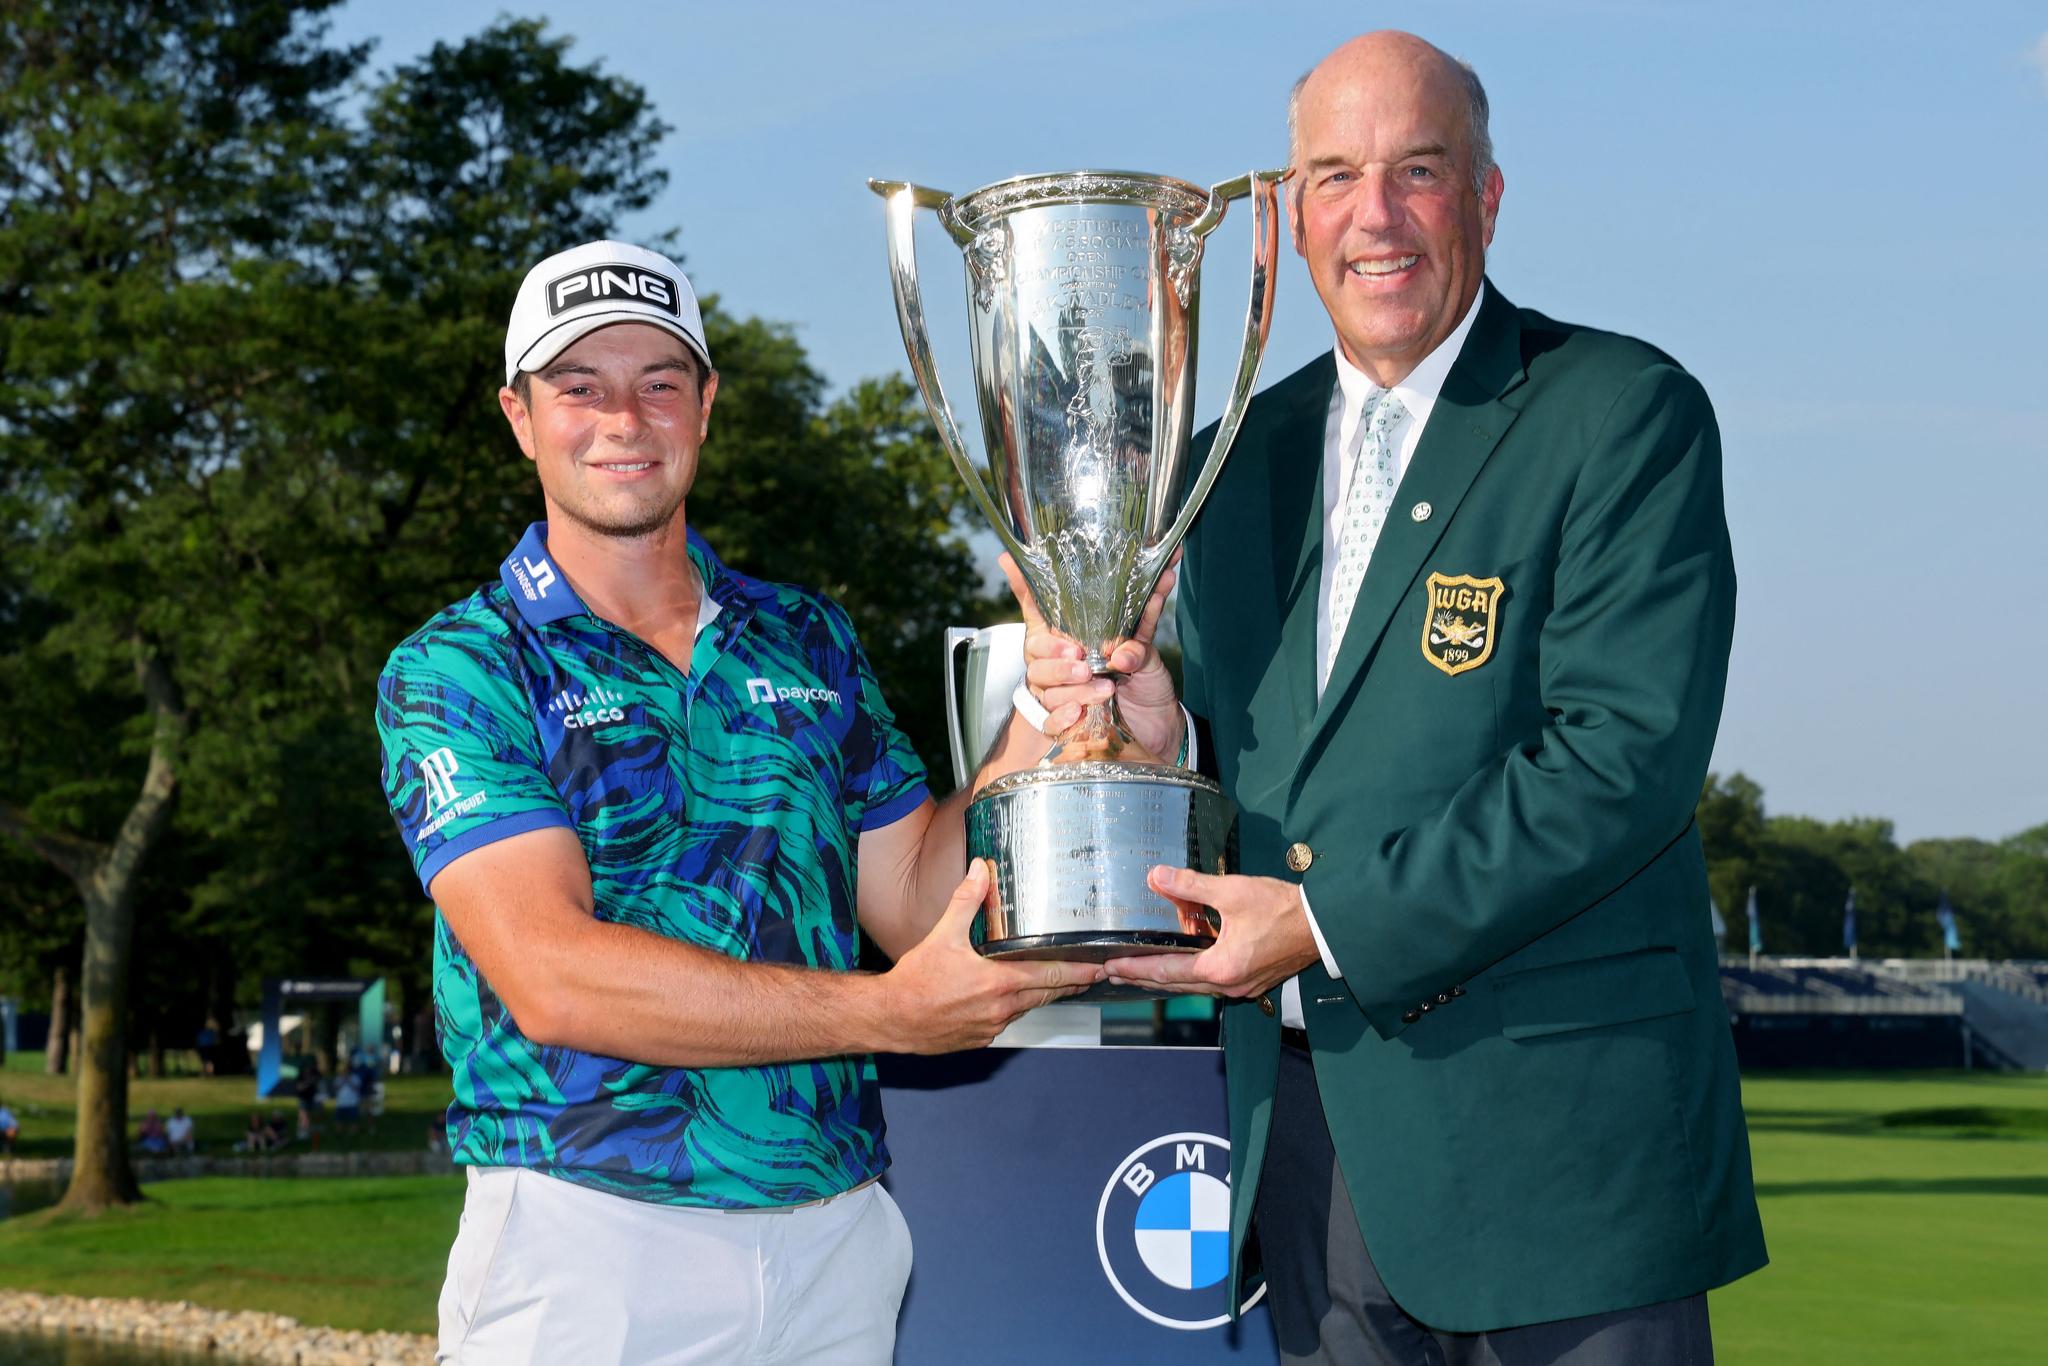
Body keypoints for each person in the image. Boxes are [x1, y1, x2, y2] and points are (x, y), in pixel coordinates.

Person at [1023, 30, 1767, 1364]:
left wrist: (1319, 921)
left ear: (1484, 197)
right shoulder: (1231, 458)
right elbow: (1279, 766)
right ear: (1292, 218)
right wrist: (1161, 740)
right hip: (1310, 1147)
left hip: (1561, 1156)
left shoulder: (1619, 411)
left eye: (1418, 171)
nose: (1376, 215)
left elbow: (1621, 763)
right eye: (1335, 176)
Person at [375, 239, 1107, 1363]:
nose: (623, 416)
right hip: (589, 1236)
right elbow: (552, 976)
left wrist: (1041, 727)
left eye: (658, 381)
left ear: (705, 407)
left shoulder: (806, 634)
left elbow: (914, 895)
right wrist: (884, 1015)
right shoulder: (461, 666)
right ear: (520, 416)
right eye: (579, 386)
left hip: (830, 1236)